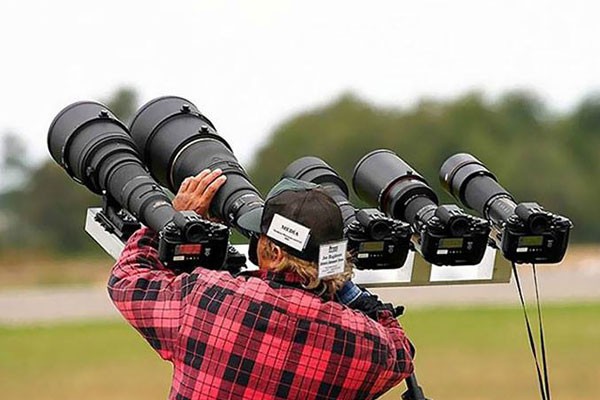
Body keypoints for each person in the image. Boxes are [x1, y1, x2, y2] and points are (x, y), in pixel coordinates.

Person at [108, 168, 414, 400]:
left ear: (273, 251)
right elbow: (401, 353)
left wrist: (172, 221)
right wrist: (344, 287)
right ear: (334, 256)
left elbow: (128, 279)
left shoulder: (205, 297)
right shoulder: (367, 344)